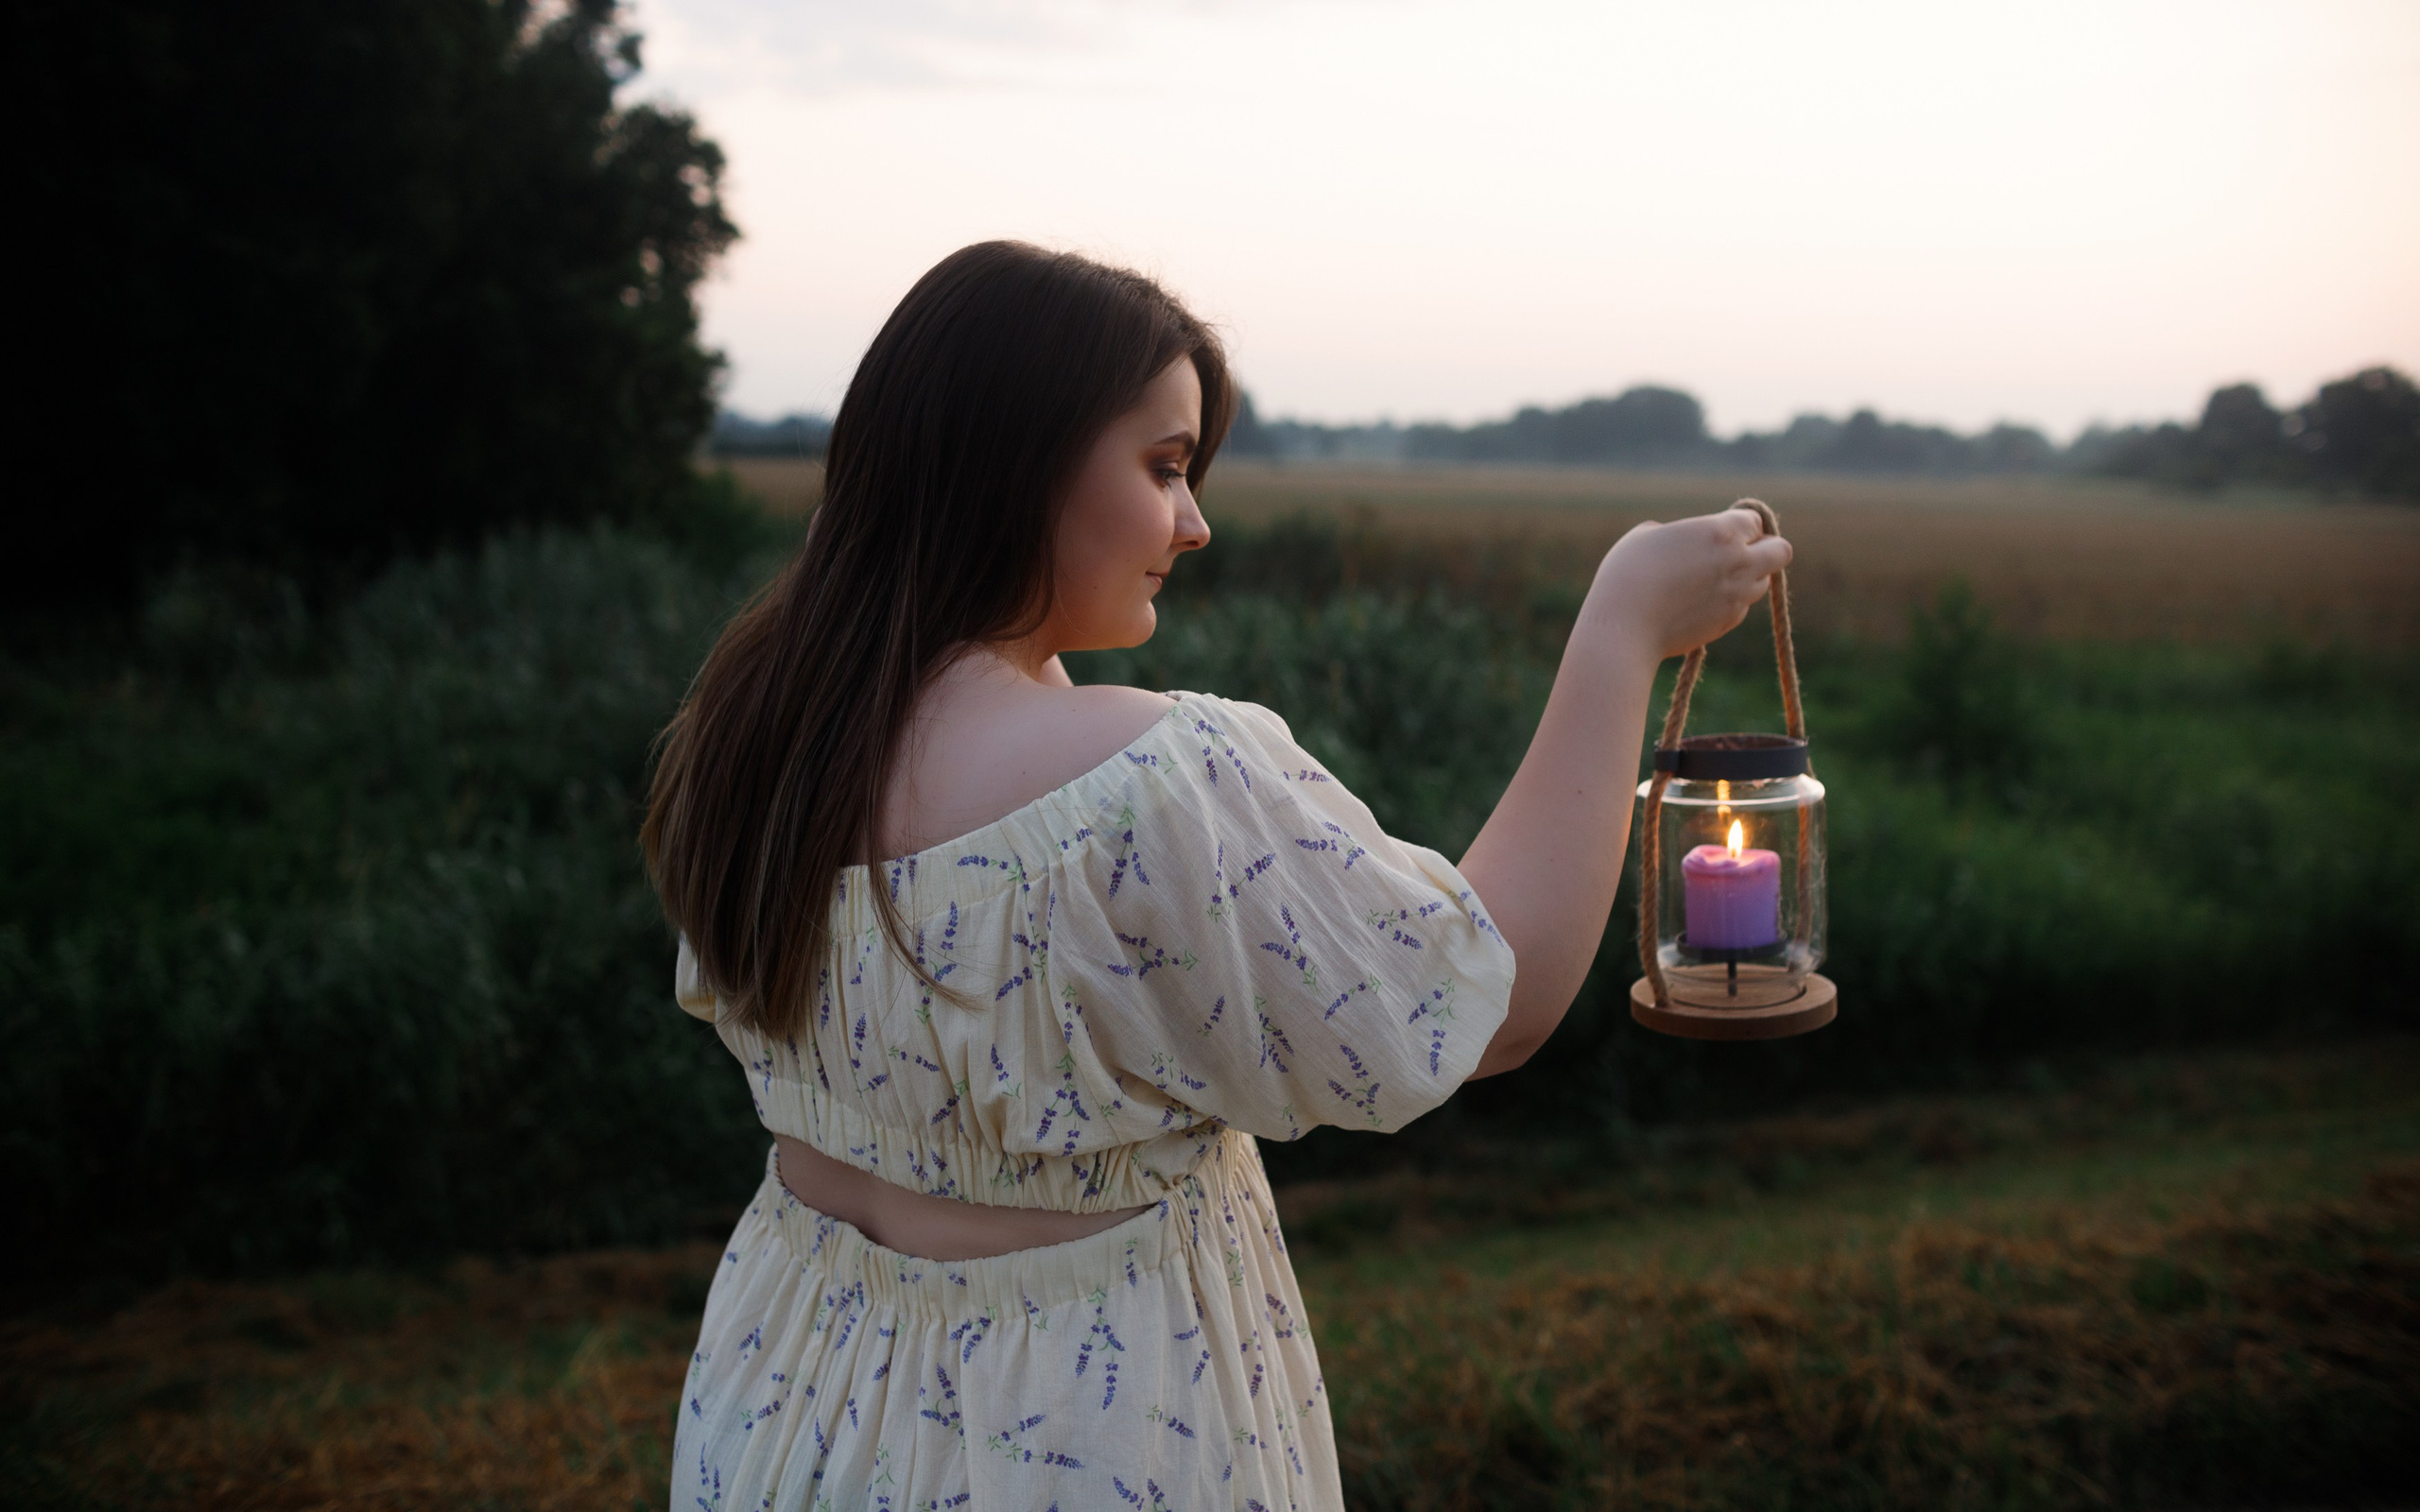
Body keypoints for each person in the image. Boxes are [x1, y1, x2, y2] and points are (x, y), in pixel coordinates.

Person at [643, 241, 1789, 1509]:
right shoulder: (1146, 780)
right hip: (1078, 1434)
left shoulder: (753, 736)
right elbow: (1486, 1006)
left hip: (788, 1402)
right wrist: (1622, 627)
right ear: (1013, 459)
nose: (1194, 524)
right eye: (1164, 466)